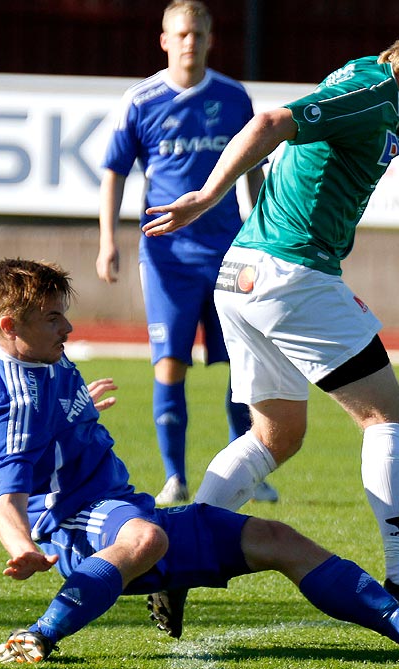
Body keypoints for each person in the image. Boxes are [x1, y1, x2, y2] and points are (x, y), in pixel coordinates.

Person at [141, 21, 399, 631]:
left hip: (247, 274)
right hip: (294, 275)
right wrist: (206, 196)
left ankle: (175, 556)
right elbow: (268, 124)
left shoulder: (382, 80)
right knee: (389, 416)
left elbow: (344, 120)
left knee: (275, 437)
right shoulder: (373, 95)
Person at [0, 258, 399, 664]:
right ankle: (37, 636)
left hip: (118, 510)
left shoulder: (34, 354)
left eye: (63, 312)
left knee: (277, 538)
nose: (68, 326)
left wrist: (74, 405)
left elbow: (46, 415)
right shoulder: (16, 407)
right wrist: (22, 547)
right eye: (53, 318)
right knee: (146, 538)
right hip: (76, 528)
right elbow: (7, 496)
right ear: (9, 325)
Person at [97, 0, 277, 506]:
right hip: (166, 255)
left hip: (229, 251)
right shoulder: (141, 100)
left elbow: (253, 166)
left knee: (243, 364)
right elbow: (114, 171)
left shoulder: (233, 96)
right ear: (164, 40)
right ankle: (175, 476)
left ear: (209, 38)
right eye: (180, 35)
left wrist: (262, 230)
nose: (189, 43)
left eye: (197, 34)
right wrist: (107, 240)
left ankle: (244, 471)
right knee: (170, 363)